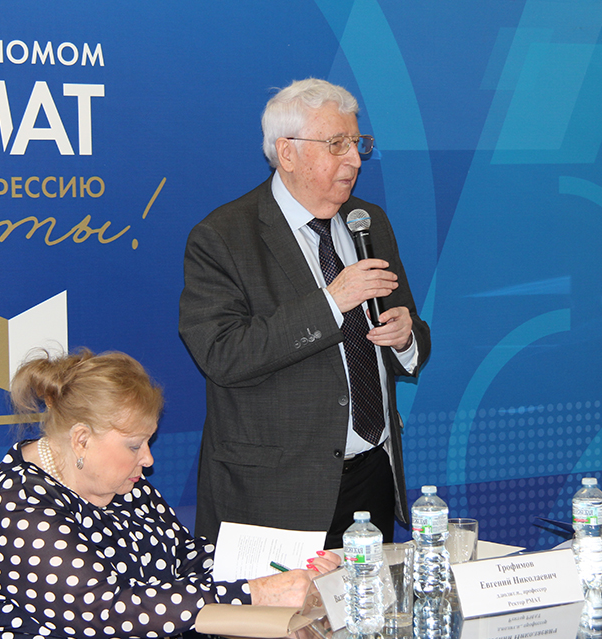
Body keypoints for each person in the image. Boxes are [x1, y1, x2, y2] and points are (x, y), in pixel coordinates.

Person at [0, 349, 338, 639]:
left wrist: (286, 571)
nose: (148, 459)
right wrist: (256, 593)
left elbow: (185, 559)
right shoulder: (14, 508)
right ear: (81, 439)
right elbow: (104, 613)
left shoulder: (124, 484)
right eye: (134, 445)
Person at [179, 78, 430, 549]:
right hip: (277, 491)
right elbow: (222, 355)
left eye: (357, 143)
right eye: (337, 144)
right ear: (287, 152)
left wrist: (405, 337)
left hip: (372, 473)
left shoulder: (368, 221)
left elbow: (410, 323)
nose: (355, 160)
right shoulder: (223, 236)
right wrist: (331, 303)